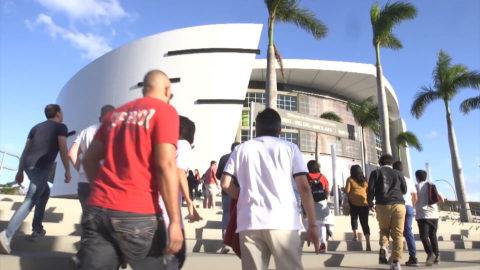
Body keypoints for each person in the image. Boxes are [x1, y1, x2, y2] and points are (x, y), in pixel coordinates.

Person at [77, 70, 183, 270]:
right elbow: (166, 164)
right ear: (167, 89)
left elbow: (89, 159)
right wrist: (175, 221)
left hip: (97, 209)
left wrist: (102, 191)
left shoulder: (115, 114)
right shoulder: (164, 111)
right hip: (138, 212)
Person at [221, 108, 319, 270]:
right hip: (283, 221)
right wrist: (313, 225)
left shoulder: (241, 149)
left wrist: (240, 195)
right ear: (279, 130)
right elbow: (304, 188)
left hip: (249, 221)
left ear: (255, 129)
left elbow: (225, 183)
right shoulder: (290, 148)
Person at [0, 104, 71, 254]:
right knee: (31, 199)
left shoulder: (36, 127)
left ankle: (37, 229)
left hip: (28, 165)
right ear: (58, 113)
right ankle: (7, 234)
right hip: (41, 167)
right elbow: (64, 150)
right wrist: (67, 170)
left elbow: (25, 150)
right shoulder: (61, 127)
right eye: (62, 111)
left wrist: (20, 171)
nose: (62, 114)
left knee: (44, 193)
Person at [160, 115, 201, 269]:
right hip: (167, 214)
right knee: (176, 258)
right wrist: (190, 203)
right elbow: (179, 173)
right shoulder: (183, 145)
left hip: (148, 213)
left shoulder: (160, 145)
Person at [68, 104, 115, 212]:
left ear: (100, 118)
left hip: (84, 183)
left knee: (89, 220)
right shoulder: (115, 131)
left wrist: (82, 170)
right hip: (106, 183)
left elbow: (71, 153)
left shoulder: (85, 131)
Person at [368, 154, 406, 270]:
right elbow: (404, 190)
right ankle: (396, 262)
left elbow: (370, 190)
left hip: (382, 204)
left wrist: (370, 203)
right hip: (399, 205)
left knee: (384, 229)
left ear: (380, 163)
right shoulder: (398, 173)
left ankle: (384, 247)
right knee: (398, 234)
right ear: (391, 163)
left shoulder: (375, 173)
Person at [414, 170, 444, 266]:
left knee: (424, 236)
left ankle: (430, 253)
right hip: (434, 215)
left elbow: (414, 199)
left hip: (423, 214)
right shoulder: (431, 185)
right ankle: (437, 256)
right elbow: (441, 198)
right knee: (433, 235)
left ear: (417, 177)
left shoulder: (417, 187)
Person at [303, 160, 332, 254]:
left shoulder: (306, 177)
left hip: (310, 202)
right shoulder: (322, 176)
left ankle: (319, 241)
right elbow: (327, 190)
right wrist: (325, 198)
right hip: (322, 201)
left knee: (317, 223)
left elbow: (304, 190)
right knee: (324, 222)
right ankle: (324, 239)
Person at [393, 161, 419, 266]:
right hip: (409, 207)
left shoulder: (393, 180)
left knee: (397, 232)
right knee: (408, 231)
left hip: (398, 206)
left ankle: (396, 258)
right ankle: (413, 256)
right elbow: (415, 197)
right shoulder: (409, 180)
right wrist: (411, 205)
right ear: (402, 169)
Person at [216, 142, 240, 254]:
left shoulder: (224, 158)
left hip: (226, 191)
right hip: (240, 190)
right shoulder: (243, 156)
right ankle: (237, 240)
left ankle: (226, 240)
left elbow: (218, 174)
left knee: (226, 213)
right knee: (239, 215)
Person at [345, 164, 371, 251]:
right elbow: (368, 192)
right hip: (364, 203)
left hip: (353, 203)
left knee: (354, 219)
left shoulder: (350, 179)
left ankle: (356, 236)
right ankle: (367, 242)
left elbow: (347, 191)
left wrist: (343, 190)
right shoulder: (365, 181)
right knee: (365, 223)